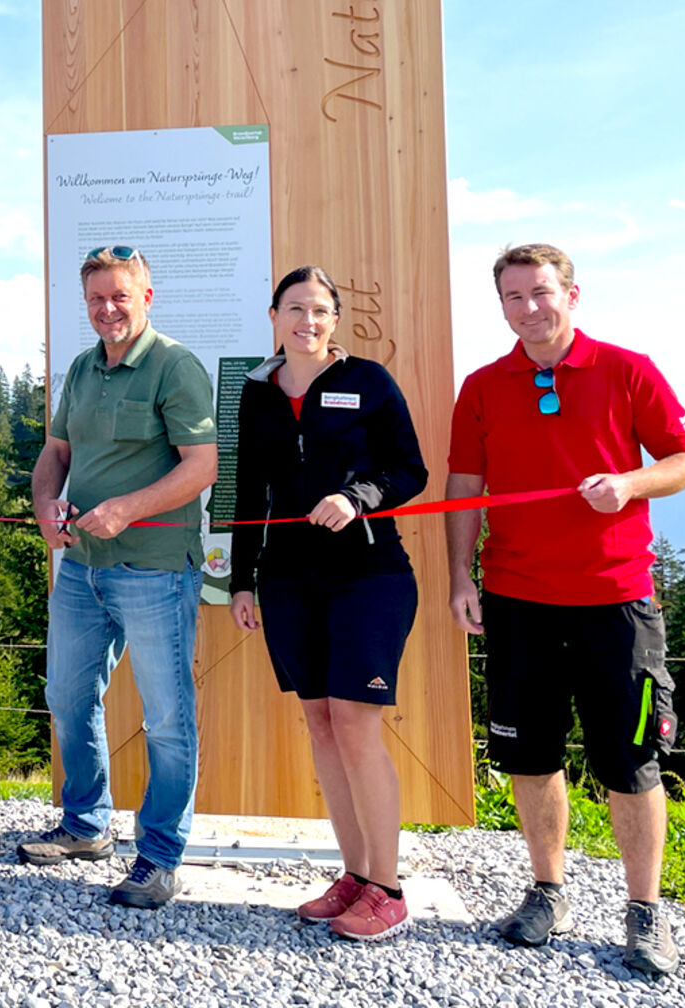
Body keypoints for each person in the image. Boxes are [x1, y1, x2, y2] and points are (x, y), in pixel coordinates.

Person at [446, 243, 685, 975]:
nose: (529, 308)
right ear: (501, 305)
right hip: (516, 599)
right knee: (530, 755)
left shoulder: (627, 370)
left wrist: (629, 484)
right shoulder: (483, 386)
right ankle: (547, 891)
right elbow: (464, 485)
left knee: (631, 761)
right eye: (514, 296)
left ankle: (645, 910)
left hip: (616, 600)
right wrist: (460, 574)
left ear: (572, 294)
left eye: (541, 292)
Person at [227, 266, 427, 940]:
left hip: (368, 575)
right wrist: (242, 580)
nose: (306, 322)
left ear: (335, 319)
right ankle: (355, 873)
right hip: (288, 579)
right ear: (274, 317)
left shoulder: (368, 381)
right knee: (320, 723)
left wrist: (356, 497)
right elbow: (249, 492)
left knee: (355, 722)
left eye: (318, 310)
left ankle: (388, 889)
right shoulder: (257, 393)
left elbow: (410, 469)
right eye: (294, 309)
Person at [17, 246, 217, 909]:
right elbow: (57, 452)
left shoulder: (175, 366)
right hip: (82, 568)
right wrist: (45, 505)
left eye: (120, 297)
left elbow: (201, 466)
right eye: (97, 299)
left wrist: (127, 509)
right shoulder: (81, 368)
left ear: (146, 298)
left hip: (155, 570)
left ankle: (160, 856)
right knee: (68, 697)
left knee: (166, 718)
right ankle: (86, 826)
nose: (108, 309)